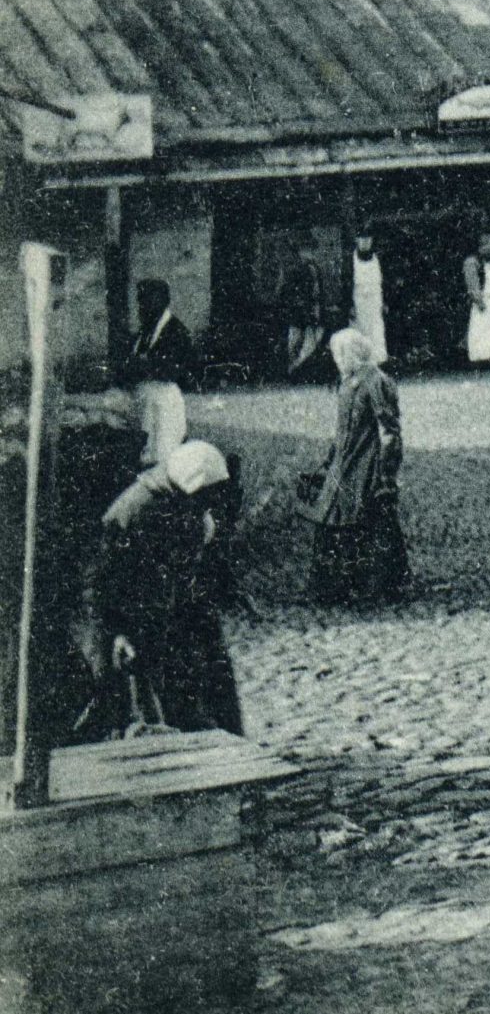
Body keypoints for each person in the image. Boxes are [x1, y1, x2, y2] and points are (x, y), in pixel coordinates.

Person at [80, 440, 242, 738]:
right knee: (117, 702)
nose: (206, 504)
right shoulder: (132, 511)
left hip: (167, 611)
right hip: (124, 617)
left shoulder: (186, 505)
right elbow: (99, 581)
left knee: (209, 674)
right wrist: (117, 631)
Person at [300, 328, 407, 605]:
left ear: (351, 354)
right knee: (334, 522)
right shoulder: (348, 382)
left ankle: (375, 586)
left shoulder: (376, 381)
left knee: (366, 523)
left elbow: (389, 431)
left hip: (365, 466)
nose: (336, 360)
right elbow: (343, 431)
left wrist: (386, 473)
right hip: (344, 465)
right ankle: (333, 587)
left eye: (339, 354)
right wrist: (329, 460)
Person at [118, 277, 195, 466]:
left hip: (164, 404)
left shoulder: (177, 332)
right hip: (142, 402)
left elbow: (171, 370)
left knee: (162, 456)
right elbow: (127, 367)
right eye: (140, 301)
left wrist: (142, 366)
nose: (142, 307)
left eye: (147, 300)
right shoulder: (144, 333)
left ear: (162, 301)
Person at [278, 241, 327, 377]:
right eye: (305, 250)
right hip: (301, 312)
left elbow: (317, 293)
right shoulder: (297, 270)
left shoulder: (313, 269)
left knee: (307, 344)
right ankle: (294, 368)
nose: (308, 254)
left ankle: (295, 368)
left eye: (309, 250)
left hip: (308, 312)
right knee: (297, 343)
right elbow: (286, 292)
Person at [463, 231, 490, 364]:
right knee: (480, 327)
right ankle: (480, 356)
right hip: (482, 300)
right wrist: (478, 299)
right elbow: (472, 282)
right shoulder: (473, 261)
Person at [351, 229, 393, 363]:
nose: (365, 242)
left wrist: (385, 302)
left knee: (377, 334)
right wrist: (350, 306)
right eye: (362, 239)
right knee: (359, 335)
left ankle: (377, 364)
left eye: (367, 239)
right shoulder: (350, 261)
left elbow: (384, 283)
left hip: (375, 304)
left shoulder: (378, 260)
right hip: (358, 305)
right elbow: (346, 285)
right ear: (357, 240)